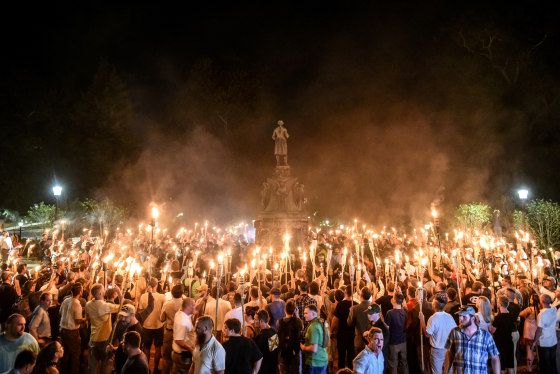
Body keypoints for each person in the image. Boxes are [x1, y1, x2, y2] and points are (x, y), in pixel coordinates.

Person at [443, 306, 500, 374]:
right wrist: (445, 372)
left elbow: (495, 358)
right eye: (460, 316)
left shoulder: (486, 336)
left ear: (473, 318)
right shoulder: (455, 332)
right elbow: (449, 354)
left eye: (464, 317)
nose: (461, 319)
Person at [85, 283, 122, 374]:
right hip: (105, 340)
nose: (105, 291)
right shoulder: (105, 306)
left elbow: (88, 318)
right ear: (101, 294)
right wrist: (119, 292)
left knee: (92, 367)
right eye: (103, 290)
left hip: (93, 339)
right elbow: (122, 307)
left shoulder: (88, 304)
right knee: (106, 366)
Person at [419, 294, 456, 374]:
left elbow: (427, 334)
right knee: (449, 370)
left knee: (437, 371)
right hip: (448, 348)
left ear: (435, 305)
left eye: (432, 303)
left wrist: (422, 320)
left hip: (438, 350)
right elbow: (455, 330)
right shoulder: (449, 316)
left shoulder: (433, 318)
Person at [139, 277, 167, 374]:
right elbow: (164, 310)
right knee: (158, 347)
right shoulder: (162, 297)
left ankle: (147, 368)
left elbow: (141, 310)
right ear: (156, 285)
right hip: (158, 325)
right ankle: (155, 368)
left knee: (146, 348)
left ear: (148, 285)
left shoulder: (143, 297)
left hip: (146, 325)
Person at [59, 283, 84, 374]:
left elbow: (60, 312)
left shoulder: (66, 300)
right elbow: (78, 320)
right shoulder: (77, 304)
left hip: (63, 330)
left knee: (65, 354)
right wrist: (86, 319)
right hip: (72, 332)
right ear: (80, 292)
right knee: (75, 355)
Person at [161, 285, 185, 374]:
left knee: (166, 358)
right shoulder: (185, 304)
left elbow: (162, 318)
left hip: (169, 332)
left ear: (171, 293)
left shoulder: (167, 304)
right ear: (182, 293)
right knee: (178, 357)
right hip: (181, 334)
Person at [531, 294, 557, 373]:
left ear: (541, 302)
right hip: (553, 341)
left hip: (544, 343)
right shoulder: (554, 309)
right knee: (552, 363)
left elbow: (539, 330)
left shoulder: (541, 314)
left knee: (545, 365)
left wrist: (534, 342)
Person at [277, 299, 303, 374]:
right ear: (295, 310)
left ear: (285, 310)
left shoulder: (279, 321)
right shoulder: (298, 321)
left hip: (283, 351)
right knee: (295, 370)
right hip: (295, 351)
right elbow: (302, 327)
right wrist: (297, 315)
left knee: (284, 370)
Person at [491, 296, 516, 374]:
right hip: (509, 341)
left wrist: (490, 326)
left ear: (500, 304)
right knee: (510, 364)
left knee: (502, 364)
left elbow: (493, 330)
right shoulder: (511, 316)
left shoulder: (498, 317)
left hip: (500, 342)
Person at [300, 305, 328, 374]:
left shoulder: (313, 326)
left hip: (314, 362)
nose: (304, 315)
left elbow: (313, 348)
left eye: (306, 313)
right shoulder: (322, 322)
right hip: (322, 359)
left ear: (313, 314)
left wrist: (303, 347)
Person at [385, 293, 408, 374]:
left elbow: (387, 328)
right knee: (404, 363)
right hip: (403, 340)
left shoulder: (390, 313)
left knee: (393, 363)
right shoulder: (405, 312)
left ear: (394, 300)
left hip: (393, 341)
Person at [172, 298, 196, 374]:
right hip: (183, 355)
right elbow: (178, 340)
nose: (195, 307)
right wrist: (191, 350)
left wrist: (203, 300)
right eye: (194, 305)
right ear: (189, 306)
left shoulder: (181, 313)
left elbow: (196, 311)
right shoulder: (182, 320)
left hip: (180, 354)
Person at [347, 287, 372, 355]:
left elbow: (350, 323)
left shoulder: (355, 308)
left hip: (359, 341)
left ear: (361, 295)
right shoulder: (372, 307)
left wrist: (350, 312)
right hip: (371, 340)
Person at [519, 294, 539, 372]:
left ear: (533, 300)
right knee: (537, 350)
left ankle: (529, 368)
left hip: (529, 332)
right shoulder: (539, 308)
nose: (530, 299)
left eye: (531, 298)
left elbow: (520, 314)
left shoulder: (529, 309)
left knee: (529, 350)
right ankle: (538, 365)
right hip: (537, 331)